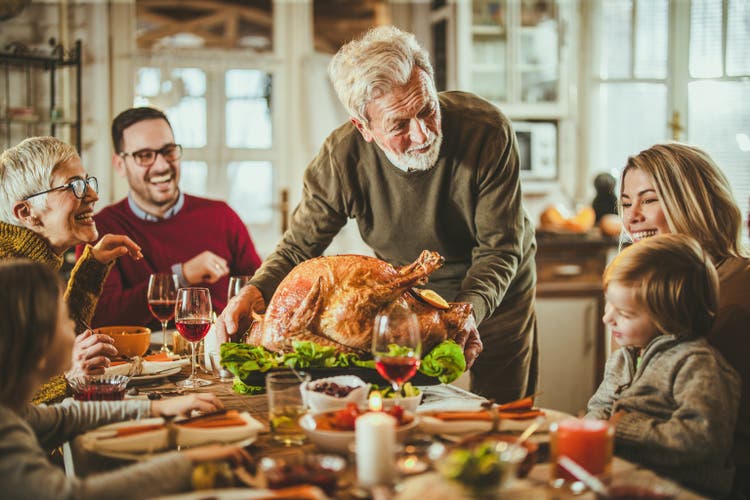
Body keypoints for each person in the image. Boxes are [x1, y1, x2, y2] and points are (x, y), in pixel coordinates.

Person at [216, 26, 538, 403]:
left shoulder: (486, 130)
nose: (422, 134)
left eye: (427, 110)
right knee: (403, 406)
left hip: (493, 290)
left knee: (503, 412)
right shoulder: (342, 159)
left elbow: (499, 248)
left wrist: (468, 311)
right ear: (363, 127)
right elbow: (297, 248)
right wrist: (254, 291)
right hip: (404, 297)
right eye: (399, 125)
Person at [0, 259, 251, 499]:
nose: (75, 330)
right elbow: (72, 496)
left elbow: (67, 417)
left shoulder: (12, 412)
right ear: (38, 348)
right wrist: (188, 462)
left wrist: (156, 407)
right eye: (65, 319)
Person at [619, 142, 750, 496]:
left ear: (694, 200)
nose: (632, 218)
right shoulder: (659, 293)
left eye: (649, 200)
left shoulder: (737, 294)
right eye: (627, 203)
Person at [586, 234, 740, 497]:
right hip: (624, 479)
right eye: (608, 304)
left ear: (668, 317)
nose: (606, 317)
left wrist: (622, 429)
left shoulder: (697, 364)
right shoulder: (622, 358)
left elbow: (702, 440)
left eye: (623, 313)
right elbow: (598, 409)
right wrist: (591, 429)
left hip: (682, 490)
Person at [83, 107, 262, 328]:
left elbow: (260, 291)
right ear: (120, 165)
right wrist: (181, 276)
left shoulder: (221, 216)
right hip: (139, 360)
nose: (161, 165)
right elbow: (101, 315)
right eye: (145, 156)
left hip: (219, 356)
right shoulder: (102, 230)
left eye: (168, 151)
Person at [0, 136, 143, 403]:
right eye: (74, 186)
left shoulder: (29, 264)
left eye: (87, 181)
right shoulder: (8, 276)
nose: (93, 195)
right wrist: (67, 375)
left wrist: (93, 268)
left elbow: (50, 348)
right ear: (26, 212)